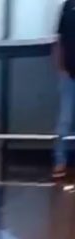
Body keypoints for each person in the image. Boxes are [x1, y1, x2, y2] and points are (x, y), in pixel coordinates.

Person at [54, 0, 75, 178]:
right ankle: (59, 162)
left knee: (65, 120)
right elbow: (60, 39)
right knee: (64, 121)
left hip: (67, 72)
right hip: (69, 73)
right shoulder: (68, 5)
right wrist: (61, 68)